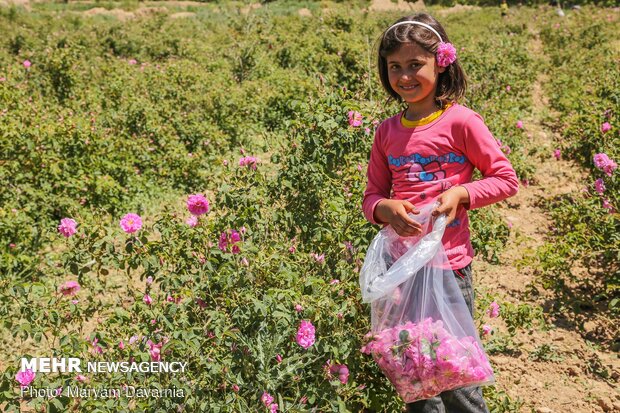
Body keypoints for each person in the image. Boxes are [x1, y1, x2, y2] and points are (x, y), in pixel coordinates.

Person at [361, 12, 519, 413]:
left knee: (457, 374)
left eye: (415, 65)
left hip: (450, 271)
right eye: (394, 66)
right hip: (404, 271)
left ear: (441, 62)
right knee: (415, 372)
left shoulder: (461, 122)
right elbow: (372, 196)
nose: (404, 76)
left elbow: (505, 178)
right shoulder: (386, 131)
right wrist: (385, 208)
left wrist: (462, 192)